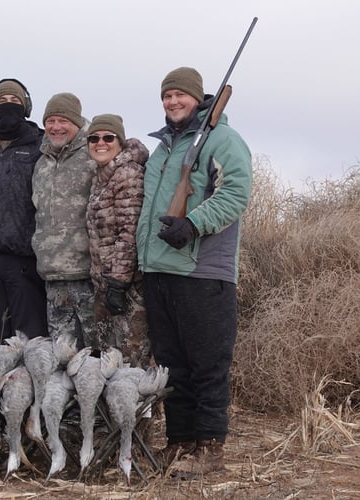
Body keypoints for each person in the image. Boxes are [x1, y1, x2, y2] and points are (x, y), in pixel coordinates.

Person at [136, 67, 252, 477]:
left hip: (203, 273)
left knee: (207, 364)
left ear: (197, 98)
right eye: (166, 96)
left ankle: (210, 450)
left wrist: (194, 224)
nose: (172, 102)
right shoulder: (163, 148)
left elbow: (237, 192)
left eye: (179, 95)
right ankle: (181, 441)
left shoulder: (223, 139)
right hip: (158, 271)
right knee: (173, 364)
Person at [0, 78, 48, 345]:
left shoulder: (40, 146)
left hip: (24, 260)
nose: (8, 105)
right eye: (2, 101)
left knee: (30, 339)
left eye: (14, 101)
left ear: (26, 106)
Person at [85, 114, 150, 366]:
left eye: (108, 137)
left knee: (130, 366)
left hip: (127, 289)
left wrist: (119, 284)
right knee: (106, 363)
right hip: (105, 284)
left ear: (120, 141)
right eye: (94, 138)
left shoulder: (128, 174)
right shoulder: (100, 176)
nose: (100, 143)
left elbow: (130, 232)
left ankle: (142, 407)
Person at [31, 92, 94, 347]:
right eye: (50, 121)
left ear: (77, 123)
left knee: (94, 354)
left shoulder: (93, 154)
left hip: (87, 274)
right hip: (53, 275)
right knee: (61, 354)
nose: (56, 127)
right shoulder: (41, 163)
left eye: (63, 121)